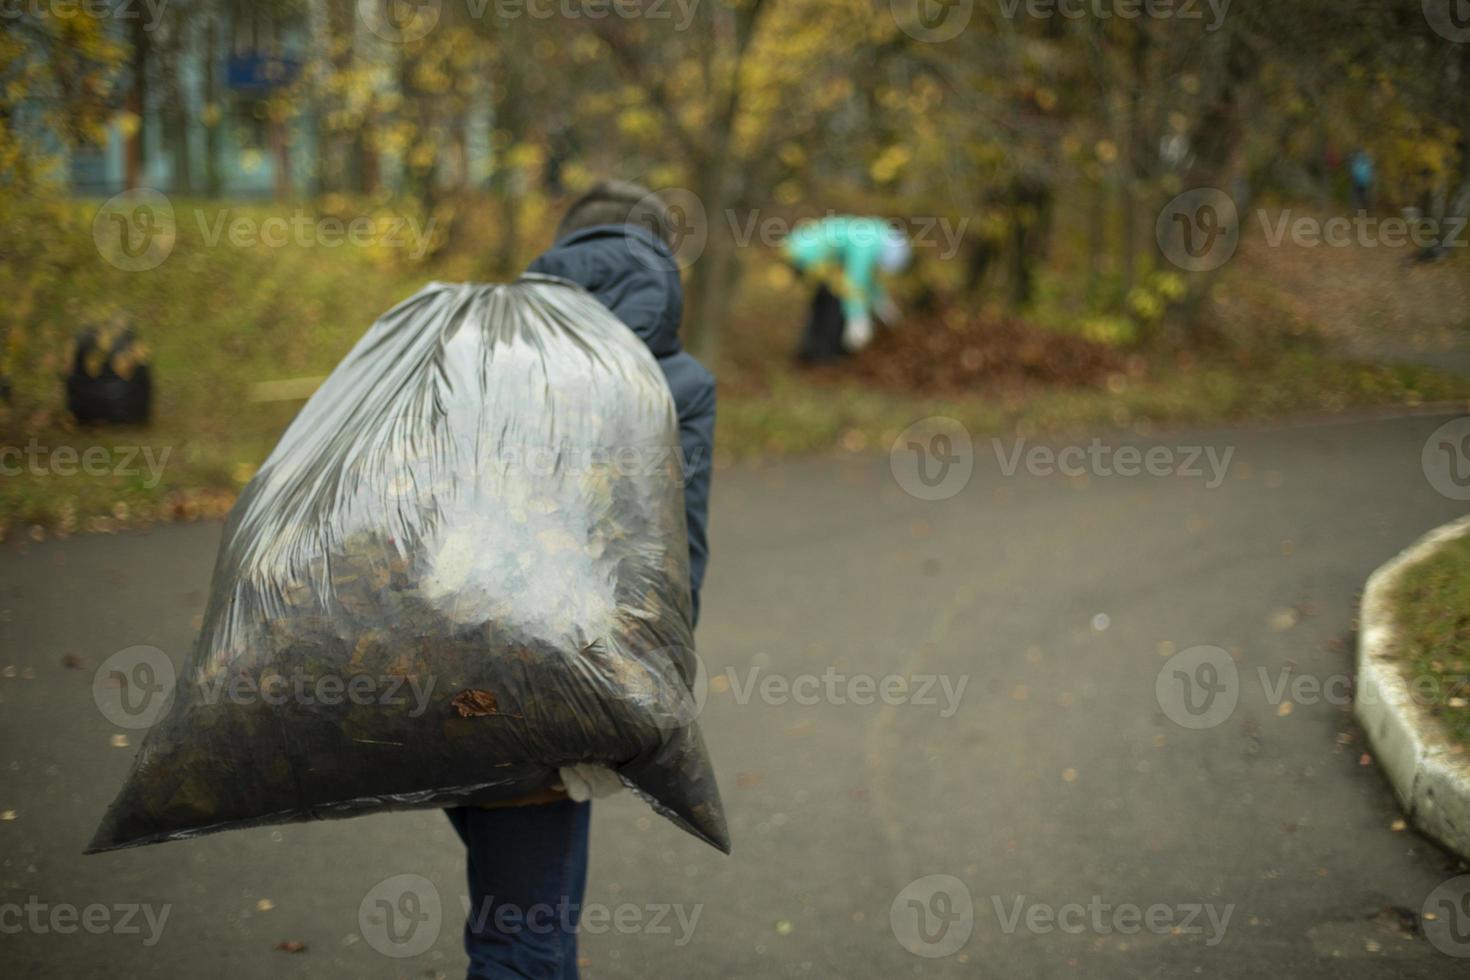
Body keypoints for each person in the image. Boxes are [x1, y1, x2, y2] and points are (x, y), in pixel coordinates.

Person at [443, 180, 716, 980]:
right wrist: (647, 693)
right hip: (568, 680)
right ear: (661, 260)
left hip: (437, 664)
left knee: (521, 907)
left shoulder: (479, 343)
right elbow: (675, 559)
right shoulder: (674, 379)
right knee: (523, 935)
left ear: (563, 252)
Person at [784, 215, 911, 364]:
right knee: (835, 300)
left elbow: (869, 280)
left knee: (828, 299)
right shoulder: (867, 242)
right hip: (805, 255)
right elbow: (855, 282)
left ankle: (812, 352)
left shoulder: (874, 234)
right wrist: (857, 319)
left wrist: (883, 304)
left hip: (802, 251)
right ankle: (823, 356)